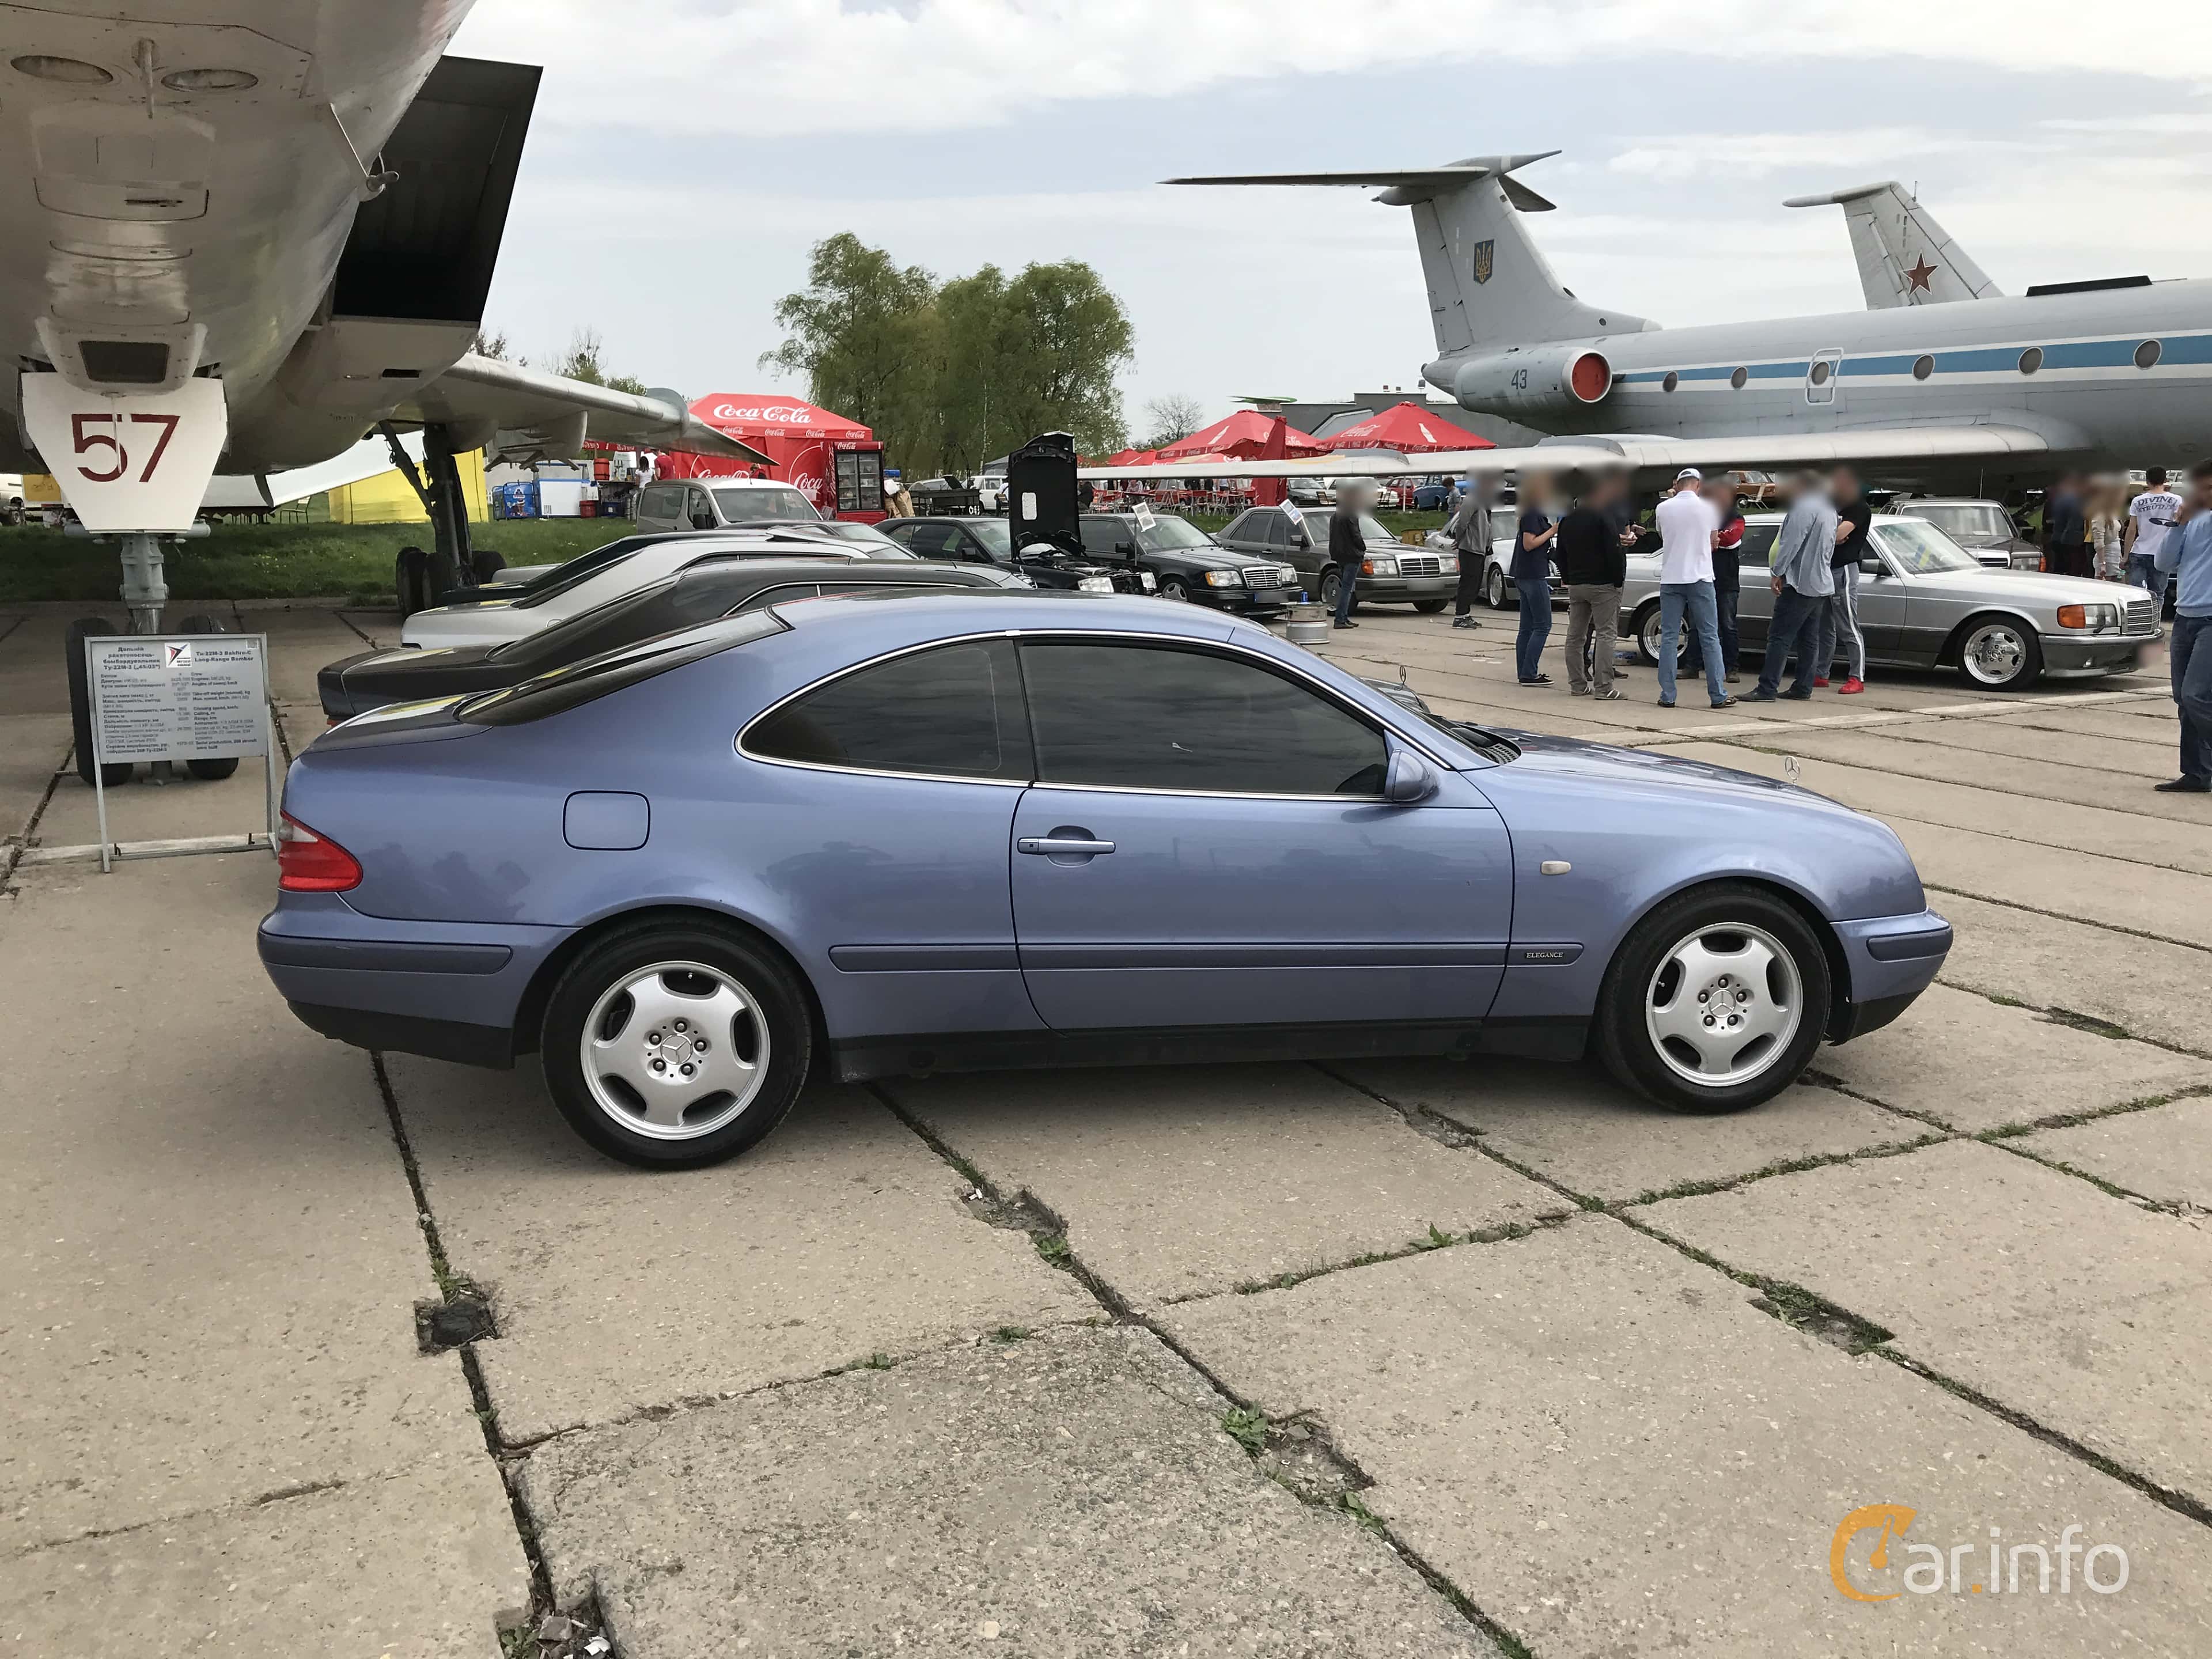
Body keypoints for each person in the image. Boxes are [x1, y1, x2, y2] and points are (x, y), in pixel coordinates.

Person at [1746, 472, 1836, 702]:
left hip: (1800, 583)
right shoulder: (1829, 509)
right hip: (1821, 582)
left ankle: (1767, 688)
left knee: (1779, 637)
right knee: (1809, 639)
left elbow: (1791, 542)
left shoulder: (1804, 508)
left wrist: (1778, 572)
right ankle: (1803, 687)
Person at [2153, 459, 2212, 792]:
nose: (2203, 494)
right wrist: (2177, 526)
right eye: (2200, 487)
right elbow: (2163, 563)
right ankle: (2197, 773)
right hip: (2186, 617)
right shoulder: (2191, 520)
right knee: (2184, 700)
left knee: (2196, 696)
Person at [1653, 468, 1734, 709]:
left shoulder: (1663, 508)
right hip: (1700, 576)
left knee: (1669, 636)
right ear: (1698, 485)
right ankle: (1717, 694)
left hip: (1671, 577)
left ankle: (1668, 695)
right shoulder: (1709, 508)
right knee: (1710, 636)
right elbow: (1714, 540)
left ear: (1677, 485)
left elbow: (1662, 534)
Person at [1558, 473, 1629, 700]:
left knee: (1575, 635)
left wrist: (1568, 577)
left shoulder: (1567, 520)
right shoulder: (1603, 518)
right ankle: (1604, 687)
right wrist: (1618, 579)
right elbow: (1613, 551)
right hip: (1603, 584)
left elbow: (1561, 553)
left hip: (1577, 584)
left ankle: (1577, 684)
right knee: (1606, 634)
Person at [1816, 465, 1869, 694]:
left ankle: (1857, 677)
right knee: (1825, 626)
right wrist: (1832, 534)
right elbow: (1824, 532)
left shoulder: (1858, 508)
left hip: (1844, 570)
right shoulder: (1830, 505)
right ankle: (1821, 674)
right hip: (1825, 570)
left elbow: (1837, 534)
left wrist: (1833, 534)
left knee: (1847, 624)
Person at [1687, 476, 1745, 684]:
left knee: (1727, 626)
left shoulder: (1735, 517)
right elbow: (1693, 537)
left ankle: (1732, 668)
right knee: (1696, 625)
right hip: (1702, 578)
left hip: (1727, 583)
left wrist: (1711, 537)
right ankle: (1692, 666)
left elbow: (1731, 538)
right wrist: (1711, 537)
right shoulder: (1701, 515)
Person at [1512, 472, 1558, 683]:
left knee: (1527, 627)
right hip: (1533, 574)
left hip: (1524, 573)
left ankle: (1524, 672)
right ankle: (1529, 673)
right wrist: (1553, 531)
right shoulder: (1532, 514)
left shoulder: (1533, 513)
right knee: (1543, 625)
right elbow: (1529, 544)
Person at [2126, 467, 2182, 601]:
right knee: (2158, 594)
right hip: (2163, 553)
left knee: (2137, 594)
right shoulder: (2177, 500)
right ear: (2165, 481)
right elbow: (2178, 526)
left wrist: (2125, 556)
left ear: (2147, 481)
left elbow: (2132, 529)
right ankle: (2155, 622)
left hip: (2140, 551)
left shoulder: (2137, 501)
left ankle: (2140, 620)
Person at [1446, 474, 1493, 629]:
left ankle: (1465, 614)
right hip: (1470, 549)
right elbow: (1462, 523)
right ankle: (1460, 617)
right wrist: (1459, 540)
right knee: (1468, 583)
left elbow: (1486, 527)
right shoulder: (1471, 500)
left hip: (1480, 550)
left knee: (1475, 585)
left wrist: (1488, 545)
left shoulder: (1483, 503)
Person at [1330, 480, 1372, 629]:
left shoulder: (1336, 515)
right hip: (1351, 555)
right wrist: (1363, 548)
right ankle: (1340, 619)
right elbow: (1356, 535)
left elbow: (1334, 536)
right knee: (1347, 589)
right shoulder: (1351, 514)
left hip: (1340, 555)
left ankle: (1344, 618)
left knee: (1346, 587)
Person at [2045, 473, 2090, 578]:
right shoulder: (2077, 501)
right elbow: (2076, 521)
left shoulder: (2063, 499)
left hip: (2059, 536)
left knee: (2061, 567)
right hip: (2074, 540)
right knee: (2074, 569)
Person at [2090, 478, 2129, 582]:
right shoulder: (2099, 516)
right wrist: (2102, 564)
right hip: (2106, 558)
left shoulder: (2113, 513)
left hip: (2115, 557)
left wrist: (2120, 556)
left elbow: (2116, 537)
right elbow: (2099, 541)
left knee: (2120, 584)